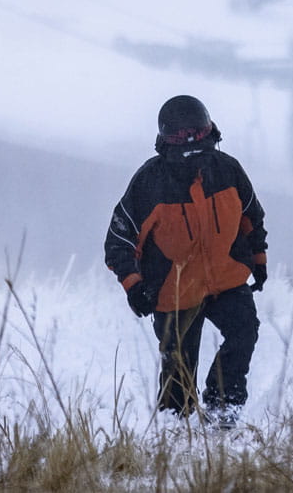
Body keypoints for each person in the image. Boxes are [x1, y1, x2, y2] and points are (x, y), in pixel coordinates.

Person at [104, 94, 268, 427]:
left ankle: (224, 409)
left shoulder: (229, 170)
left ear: (209, 130)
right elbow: (119, 241)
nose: (191, 140)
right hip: (173, 292)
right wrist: (135, 286)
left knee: (244, 333)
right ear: (166, 138)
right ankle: (175, 431)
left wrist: (259, 261)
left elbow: (252, 217)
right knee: (178, 376)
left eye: (197, 131)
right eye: (181, 135)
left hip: (226, 281)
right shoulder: (148, 183)